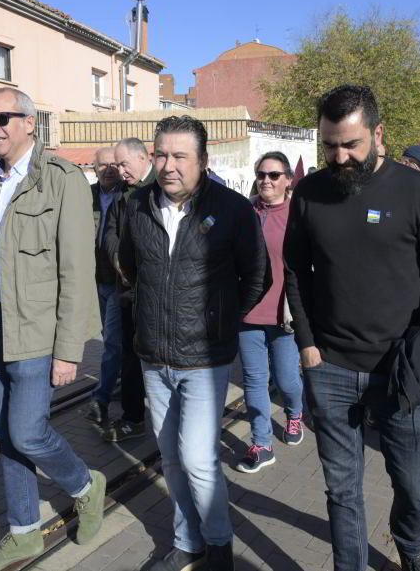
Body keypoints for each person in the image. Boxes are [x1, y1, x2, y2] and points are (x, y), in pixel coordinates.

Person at [285, 85, 420, 571]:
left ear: (378, 134)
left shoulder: (416, 191)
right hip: (330, 368)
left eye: (351, 144)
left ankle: (411, 549)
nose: (339, 156)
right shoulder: (309, 191)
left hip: (402, 371)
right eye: (329, 145)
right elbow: (296, 269)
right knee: (342, 489)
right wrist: (305, 342)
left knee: (415, 487)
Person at [0, 87, 106, 570]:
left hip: (38, 330)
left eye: (3, 117)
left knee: (28, 431)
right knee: (4, 433)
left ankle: (86, 485)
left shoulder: (61, 180)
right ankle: (23, 532)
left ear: (29, 123)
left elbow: (77, 270)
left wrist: (69, 350)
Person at [118, 115, 269, 571]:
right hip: (154, 357)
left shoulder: (231, 209)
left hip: (205, 359)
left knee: (199, 459)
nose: (169, 166)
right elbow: (128, 265)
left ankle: (219, 545)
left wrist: (219, 319)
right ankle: (189, 540)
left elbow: (257, 276)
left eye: (180, 156)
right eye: (161, 154)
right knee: (170, 457)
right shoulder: (137, 205)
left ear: (202, 161)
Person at [234, 151, 305, 474]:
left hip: (284, 315)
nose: (266, 180)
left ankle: (294, 412)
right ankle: (261, 443)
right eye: (261, 174)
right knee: (254, 380)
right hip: (248, 315)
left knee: (288, 379)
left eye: (274, 175)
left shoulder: (300, 214)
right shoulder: (246, 212)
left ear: (288, 180)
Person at [98, 137, 155, 442]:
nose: (119, 171)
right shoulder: (121, 192)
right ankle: (133, 417)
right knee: (129, 356)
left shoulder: (160, 186)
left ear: (143, 158)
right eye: (117, 165)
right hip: (127, 289)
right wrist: (118, 258)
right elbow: (109, 229)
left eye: (123, 164)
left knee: (156, 355)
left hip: (156, 291)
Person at [85, 147, 125, 427]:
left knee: (111, 340)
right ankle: (120, 378)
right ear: (94, 168)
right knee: (111, 336)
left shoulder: (128, 194)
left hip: (118, 280)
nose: (109, 169)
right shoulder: (85, 196)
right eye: (103, 165)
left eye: (114, 164)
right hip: (94, 279)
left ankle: (101, 396)